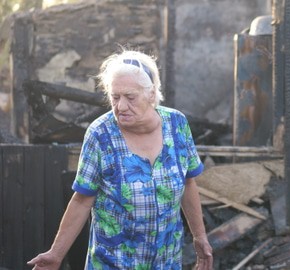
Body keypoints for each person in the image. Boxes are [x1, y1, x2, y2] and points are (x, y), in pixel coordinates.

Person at [28, 49, 213, 269]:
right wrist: (56, 254)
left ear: (152, 94)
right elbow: (82, 199)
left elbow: (188, 183)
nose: (121, 106)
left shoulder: (177, 125)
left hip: (166, 260)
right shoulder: (101, 135)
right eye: (115, 97)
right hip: (114, 261)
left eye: (130, 97)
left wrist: (199, 236)